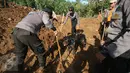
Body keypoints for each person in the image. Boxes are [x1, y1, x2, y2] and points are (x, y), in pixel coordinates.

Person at [11, 8, 57, 73]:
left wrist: (51, 20)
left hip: (16, 31)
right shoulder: (44, 13)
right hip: (27, 32)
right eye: (49, 16)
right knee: (40, 51)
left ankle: (19, 70)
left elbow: (41, 24)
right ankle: (42, 68)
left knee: (20, 54)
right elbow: (47, 22)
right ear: (48, 13)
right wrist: (54, 29)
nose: (49, 17)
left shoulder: (33, 13)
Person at [96, 0, 130, 73]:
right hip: (112, 43)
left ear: (114, 2)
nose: (110, 5)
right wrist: (106, 40)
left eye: (111, 3)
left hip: (121, 51)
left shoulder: (127, 3)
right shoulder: (119, 5)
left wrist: (108, 51)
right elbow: (115, 26)